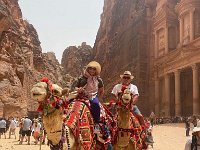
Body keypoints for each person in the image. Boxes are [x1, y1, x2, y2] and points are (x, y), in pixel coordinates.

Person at [72, 61, 104, 133]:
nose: (92, 70)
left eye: (94, 69)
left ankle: (96, 124)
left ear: (96, 70)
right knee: (69, 103)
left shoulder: (99, 80)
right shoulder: (82, 78)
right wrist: (78, 89)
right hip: (81, 95)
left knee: (95, 104)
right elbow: (75, 87)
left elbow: (101, 90)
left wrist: (99, 98)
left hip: (92, 96)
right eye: (90, 68)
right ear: (88, 69)